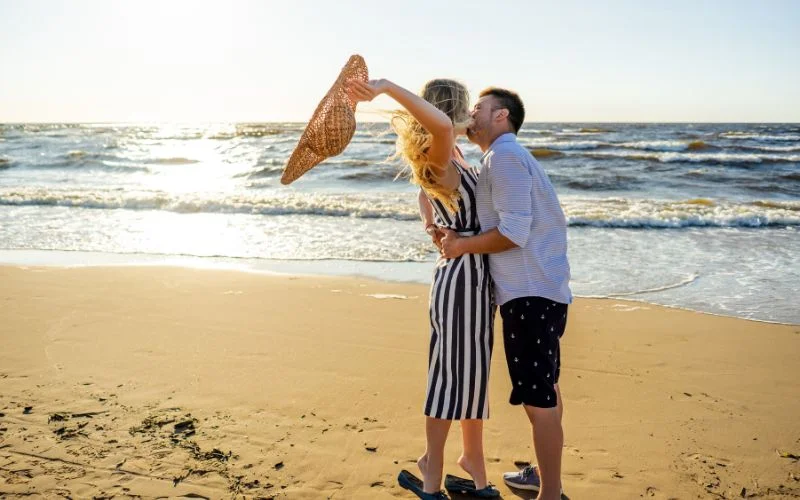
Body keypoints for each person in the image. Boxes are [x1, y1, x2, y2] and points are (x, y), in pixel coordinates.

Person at [347, 78, 498, 499]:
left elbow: (423, 193)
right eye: (466, 107)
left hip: (472, 274)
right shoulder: (440, 146)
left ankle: (473, 466)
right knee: (450, 378)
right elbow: (441, 138)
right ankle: (432, 474)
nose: (471, 114)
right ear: (453, 107)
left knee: (471, 375)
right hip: (461, 279)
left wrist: (429, 223)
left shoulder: (450, 153)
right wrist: (384, 87)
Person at [441, 87, 572, 500]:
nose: (470, 113)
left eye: (479, 108)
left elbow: (514, 232)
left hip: (529, 293)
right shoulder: (503, 157)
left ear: (501, 117)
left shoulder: (506, 157)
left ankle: (550, 493)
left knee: (539, 399)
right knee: (545, 390)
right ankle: (543, 476)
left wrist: (461, 246)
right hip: (540, 289)